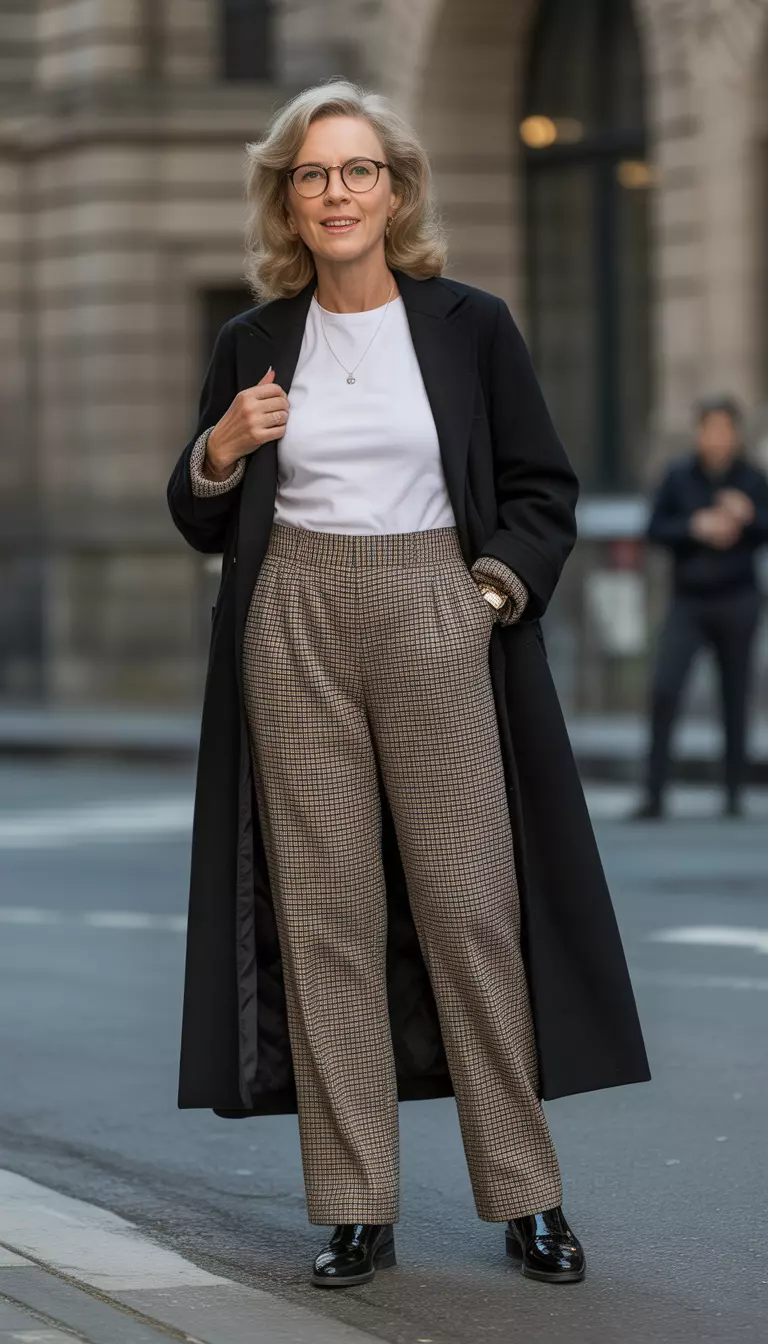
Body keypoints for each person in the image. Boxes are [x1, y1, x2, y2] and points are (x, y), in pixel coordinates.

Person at [167, 80, 649, 1290]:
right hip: (294, 621)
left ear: (396, 190)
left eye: (358, 170)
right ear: (290, 196)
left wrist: (484, 596)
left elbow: (543, 490)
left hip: (435, 606)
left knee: (468, 909)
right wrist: (218, 449)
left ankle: (526, 1194)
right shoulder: (256, 339)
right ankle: (355, 1201)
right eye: (314, 174)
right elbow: (198, 514)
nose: (337, 192)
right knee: (324, 921)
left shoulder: (468, 324)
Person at [635, 394, 768, 819]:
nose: (716, 439)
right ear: (699, 433)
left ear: (735, 434)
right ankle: (654, 793)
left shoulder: (751, 478)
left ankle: (733, 794)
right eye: (709, 429)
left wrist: (748, 517)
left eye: (724, 430)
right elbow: (655, 528)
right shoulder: (678, 476)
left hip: (738, 598)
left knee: (735, 695)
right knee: (664, 688)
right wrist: (695, 527)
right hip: (689, 600)